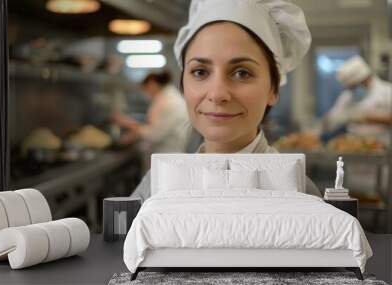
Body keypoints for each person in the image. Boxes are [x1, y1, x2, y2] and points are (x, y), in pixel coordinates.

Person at [131, 0, 321, 201]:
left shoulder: (299, 192)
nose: (217, 94)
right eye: (200, 72)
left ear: (273, 89)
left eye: (241, 73)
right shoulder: (156, 187)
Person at [111, 72, 191, 169]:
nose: (145, 93)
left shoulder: (171, 103)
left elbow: (154, 134)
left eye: (145, 89)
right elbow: (154, 125)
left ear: (152, 84)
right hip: (160, 153)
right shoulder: (165, 98)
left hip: (166, 156)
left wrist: (129, 124)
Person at [322, 56, 392, 142]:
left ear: (364, 79)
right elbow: (332, 116)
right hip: (354, 144)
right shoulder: (348, 96)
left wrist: (366, 117)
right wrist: (338, 118)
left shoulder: (387, 91)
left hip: (381, 144)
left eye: (354, 86)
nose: (352, 90)